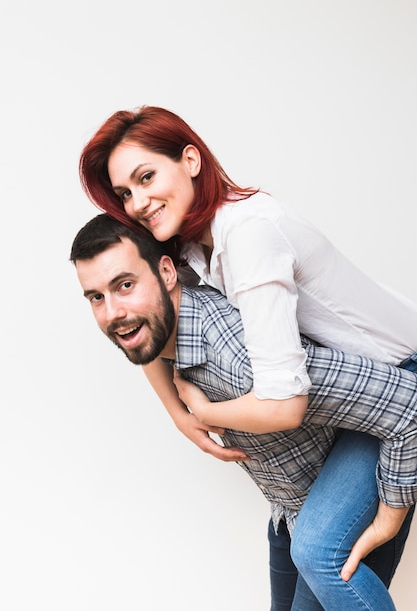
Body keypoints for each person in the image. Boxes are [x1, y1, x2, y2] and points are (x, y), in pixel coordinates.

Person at [78, 105, 417, 605]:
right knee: (301, 545)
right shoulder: (192, 244)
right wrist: (176, 413)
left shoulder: (249, 236)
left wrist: (206, 411)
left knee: (318, 548)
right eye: (126, 193)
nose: (138, 202)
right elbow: (145, 311)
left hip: (398, 375)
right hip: (352, 393)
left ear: (191, 159)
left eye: (146, 177)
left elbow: (284, 403)